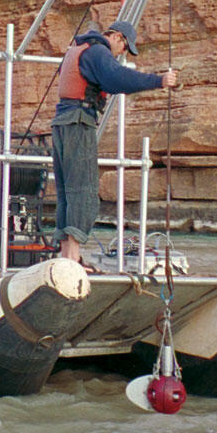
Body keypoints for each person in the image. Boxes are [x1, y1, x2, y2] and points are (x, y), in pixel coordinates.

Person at [51, 20, 178, 268]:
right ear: (118, 38)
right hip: (78, 121)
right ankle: (71, 259)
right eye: (124, 48)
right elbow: (117, 78)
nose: (121, 55)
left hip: (62, 122)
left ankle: (66, 254)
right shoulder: (98, 51)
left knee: (67, 190)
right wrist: (159, 81)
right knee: (84, 189)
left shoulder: (78, 48)